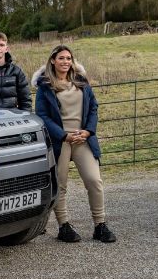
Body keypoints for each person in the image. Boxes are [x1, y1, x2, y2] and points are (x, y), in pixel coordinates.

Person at [33, 45, 116, 243]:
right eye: (61, 58)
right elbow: (42, 115)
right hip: (61, 141)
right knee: (60, 185)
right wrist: (63, 135)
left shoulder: (81, 82)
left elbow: (94, 107)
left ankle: (100, 225)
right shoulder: (44, 86)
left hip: (83, 139)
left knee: (94, 181)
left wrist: (88, 131)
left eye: (69, 58)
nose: (65, 62)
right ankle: (64, 227)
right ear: (53, 60)